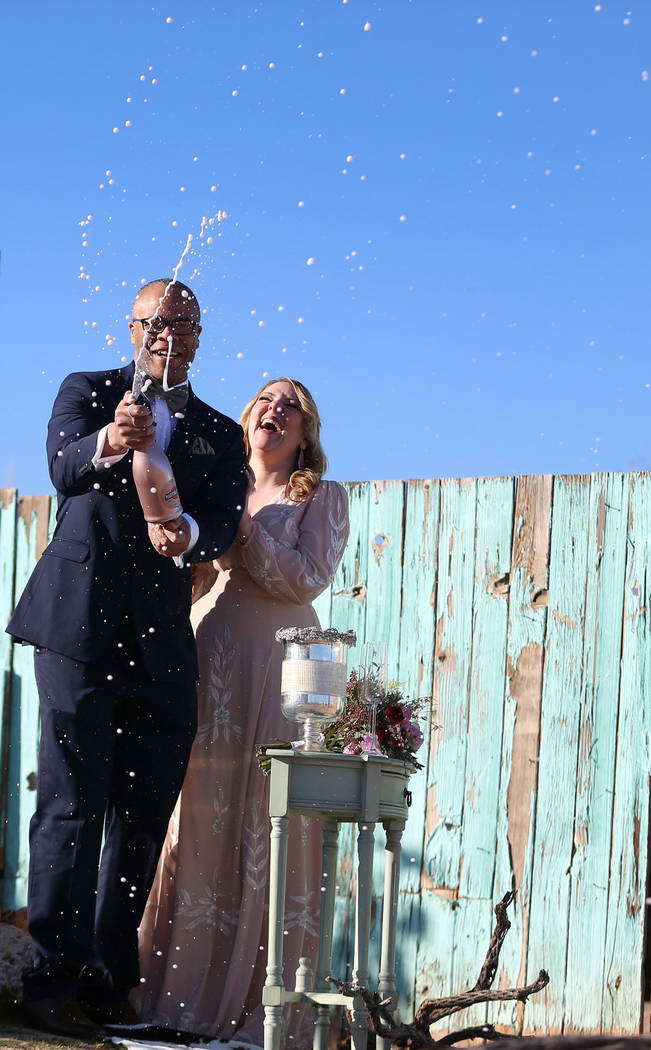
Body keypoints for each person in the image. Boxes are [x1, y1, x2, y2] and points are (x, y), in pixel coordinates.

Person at [6, 278, 248, 1040]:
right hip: (77, 629)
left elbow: (223, 521)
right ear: (132, 327)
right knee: (71, 806)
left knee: (141, 819)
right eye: (154, 322)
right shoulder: (88, 390)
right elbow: (63, 467)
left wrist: (191, 536)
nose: (167, 334)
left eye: (183, 324)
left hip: (162, 643)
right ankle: (52, 981)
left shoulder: (218, 431)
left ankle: (110, 984)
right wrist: (112, 438)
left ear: (200, 336)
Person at [135, 378, 350, 1047]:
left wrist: (244, 528)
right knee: (197, 813)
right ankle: (176, 991)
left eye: (292, 406)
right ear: (247, 415)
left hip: (282, 666)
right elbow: (192, 567)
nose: (275, 410)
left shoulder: (320, 496)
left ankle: (265, 1000)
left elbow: (305, 578)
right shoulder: (215, 484)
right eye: (265, 399)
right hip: (210, 655)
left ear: (306, 432)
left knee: (270, 818)